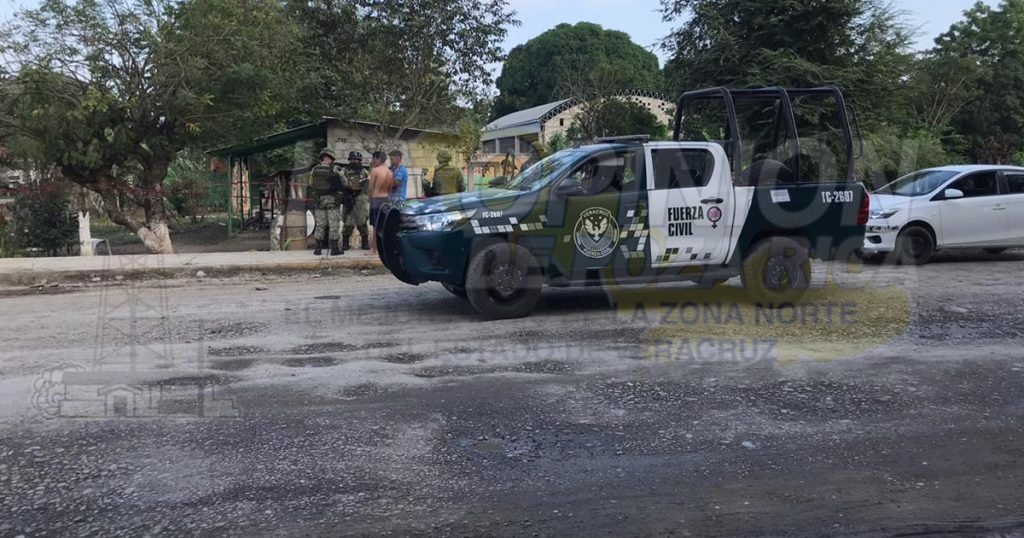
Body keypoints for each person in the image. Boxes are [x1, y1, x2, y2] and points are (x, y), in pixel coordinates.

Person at [309, 148, 344, 256]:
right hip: (332, 200)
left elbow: (311, 184)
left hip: (319, 199)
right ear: (331, 157)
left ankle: (318, 249)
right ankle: (334, 249)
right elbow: (344, 182)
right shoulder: (335, 169)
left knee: (320, 224)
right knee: (334, 224)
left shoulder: (314, 169)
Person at [340, 151, 371, 251]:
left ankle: (365, 242)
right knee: (348, 222)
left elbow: (368, 186)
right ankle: (345, 243)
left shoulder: (364, 172)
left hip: (361, 198)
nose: (355, 161)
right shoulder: (344, 171)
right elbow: (341, 183)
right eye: (353, 159)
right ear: (350, 160)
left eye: (357, 160)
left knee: (362, 221)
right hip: (348, 198)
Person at [368, 151, 396, 255]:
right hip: (386, 199)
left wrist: (369, 197)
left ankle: (374, 249)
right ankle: (385, 248)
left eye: (373, 159)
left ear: (378, 159)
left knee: (375, 225)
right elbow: (390, 188)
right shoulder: (390, 172)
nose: (372, 161)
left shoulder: (375, 171)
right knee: (384, 225)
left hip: (376, 199)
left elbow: (371, 188)